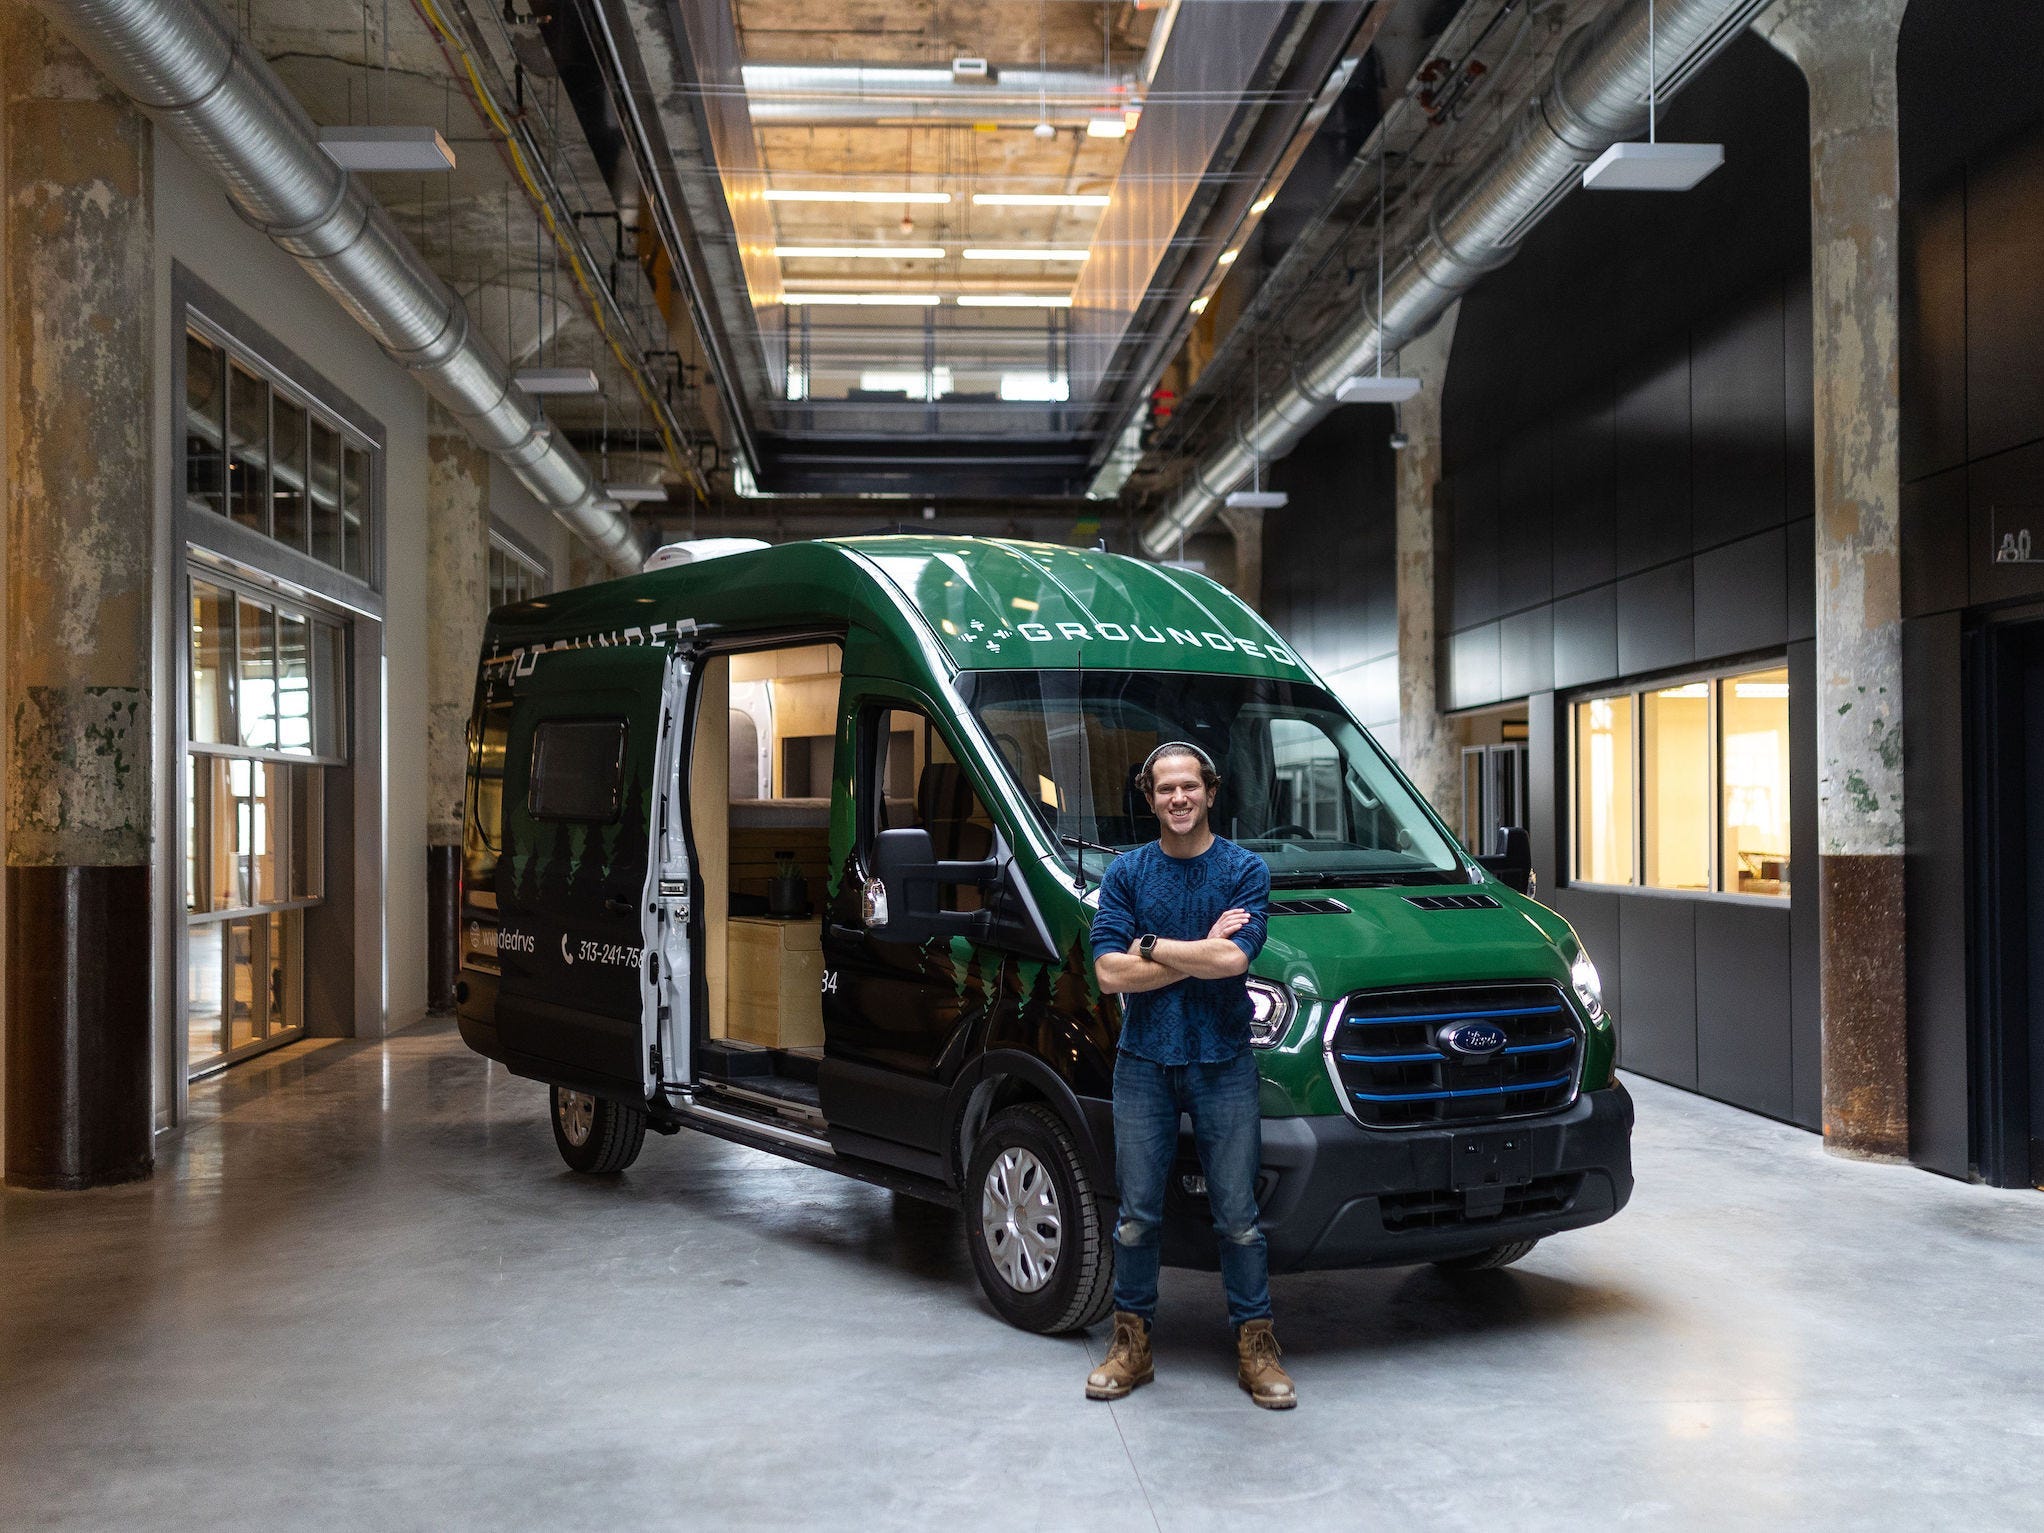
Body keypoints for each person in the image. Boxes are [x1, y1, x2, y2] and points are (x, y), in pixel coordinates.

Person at [1083, 741, 1295, 1410]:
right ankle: (1132, 1345)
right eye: (1164, 788)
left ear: (1210, 791)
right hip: (1144, 1063)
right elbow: (1108, 972)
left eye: (1189, 787)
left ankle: (1257, 1346)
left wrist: (1150, 944)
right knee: (1138, 1218)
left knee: (1238, 1217)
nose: (1178, 798)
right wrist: (1197, 950)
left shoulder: (1243, 869)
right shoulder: (1126, 873)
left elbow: (1234, 961)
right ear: (1149, 799)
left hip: (1223, 1061)